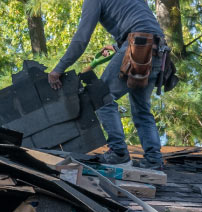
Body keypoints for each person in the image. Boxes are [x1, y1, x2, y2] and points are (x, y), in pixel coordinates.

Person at [48, 0, 166, 170]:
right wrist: (119, 45)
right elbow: (142, 23)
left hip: (137, 46)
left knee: (101, 97)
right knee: (141, 109)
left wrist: (59, 69)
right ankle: (154, 159)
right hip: (158, 50)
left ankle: (118, 153)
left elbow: (82, 38)